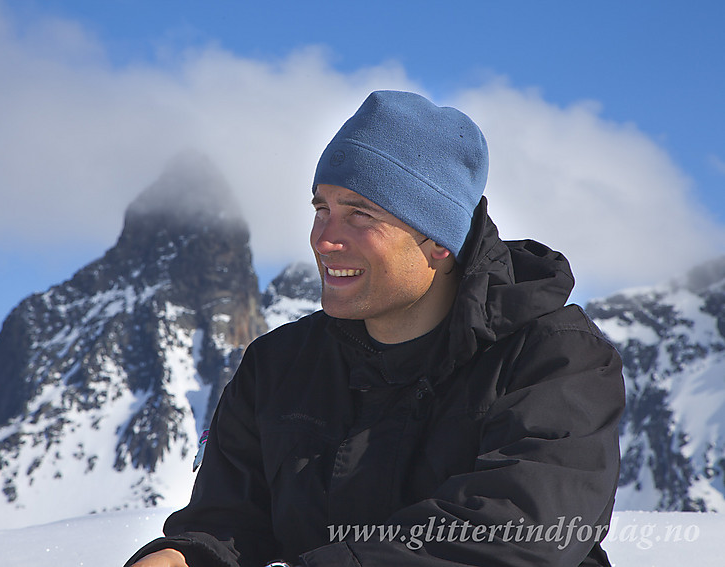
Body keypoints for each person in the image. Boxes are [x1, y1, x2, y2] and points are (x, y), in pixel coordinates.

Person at [123, 90, 625, 567]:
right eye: (321, 208)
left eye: (360, 214)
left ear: (438, 241)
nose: (324, 239)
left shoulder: (555, 361)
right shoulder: (277, 367)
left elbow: (515, 535)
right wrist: (185, 555)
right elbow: (229, 523)